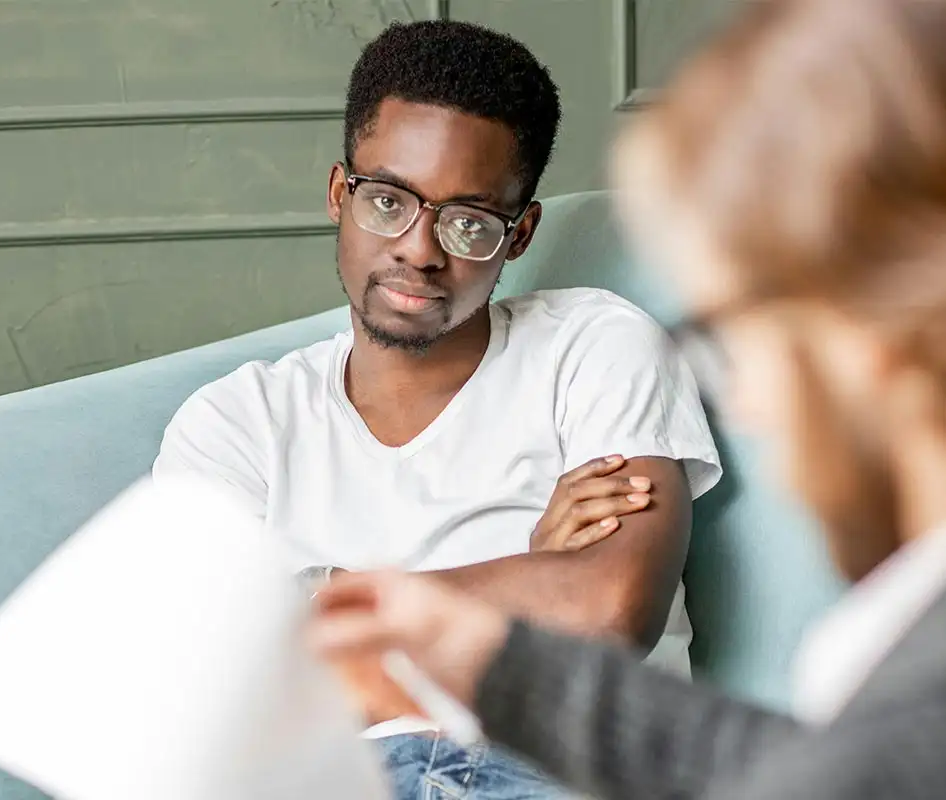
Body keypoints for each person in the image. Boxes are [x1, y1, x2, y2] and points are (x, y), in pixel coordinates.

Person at [308, 1, 946, 799]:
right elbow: (801, 770)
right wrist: (485, 655)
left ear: (880, 340)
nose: (751, 404)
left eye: (738, 336)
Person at [153, 19, 721, 800]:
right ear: (337, 195)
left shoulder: (596, 347)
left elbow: (611, 608)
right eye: (388, 200)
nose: (420, 249)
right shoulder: (234, 427)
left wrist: (331, 603)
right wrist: (538, 573)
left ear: (519, 235)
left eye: (467, 222)